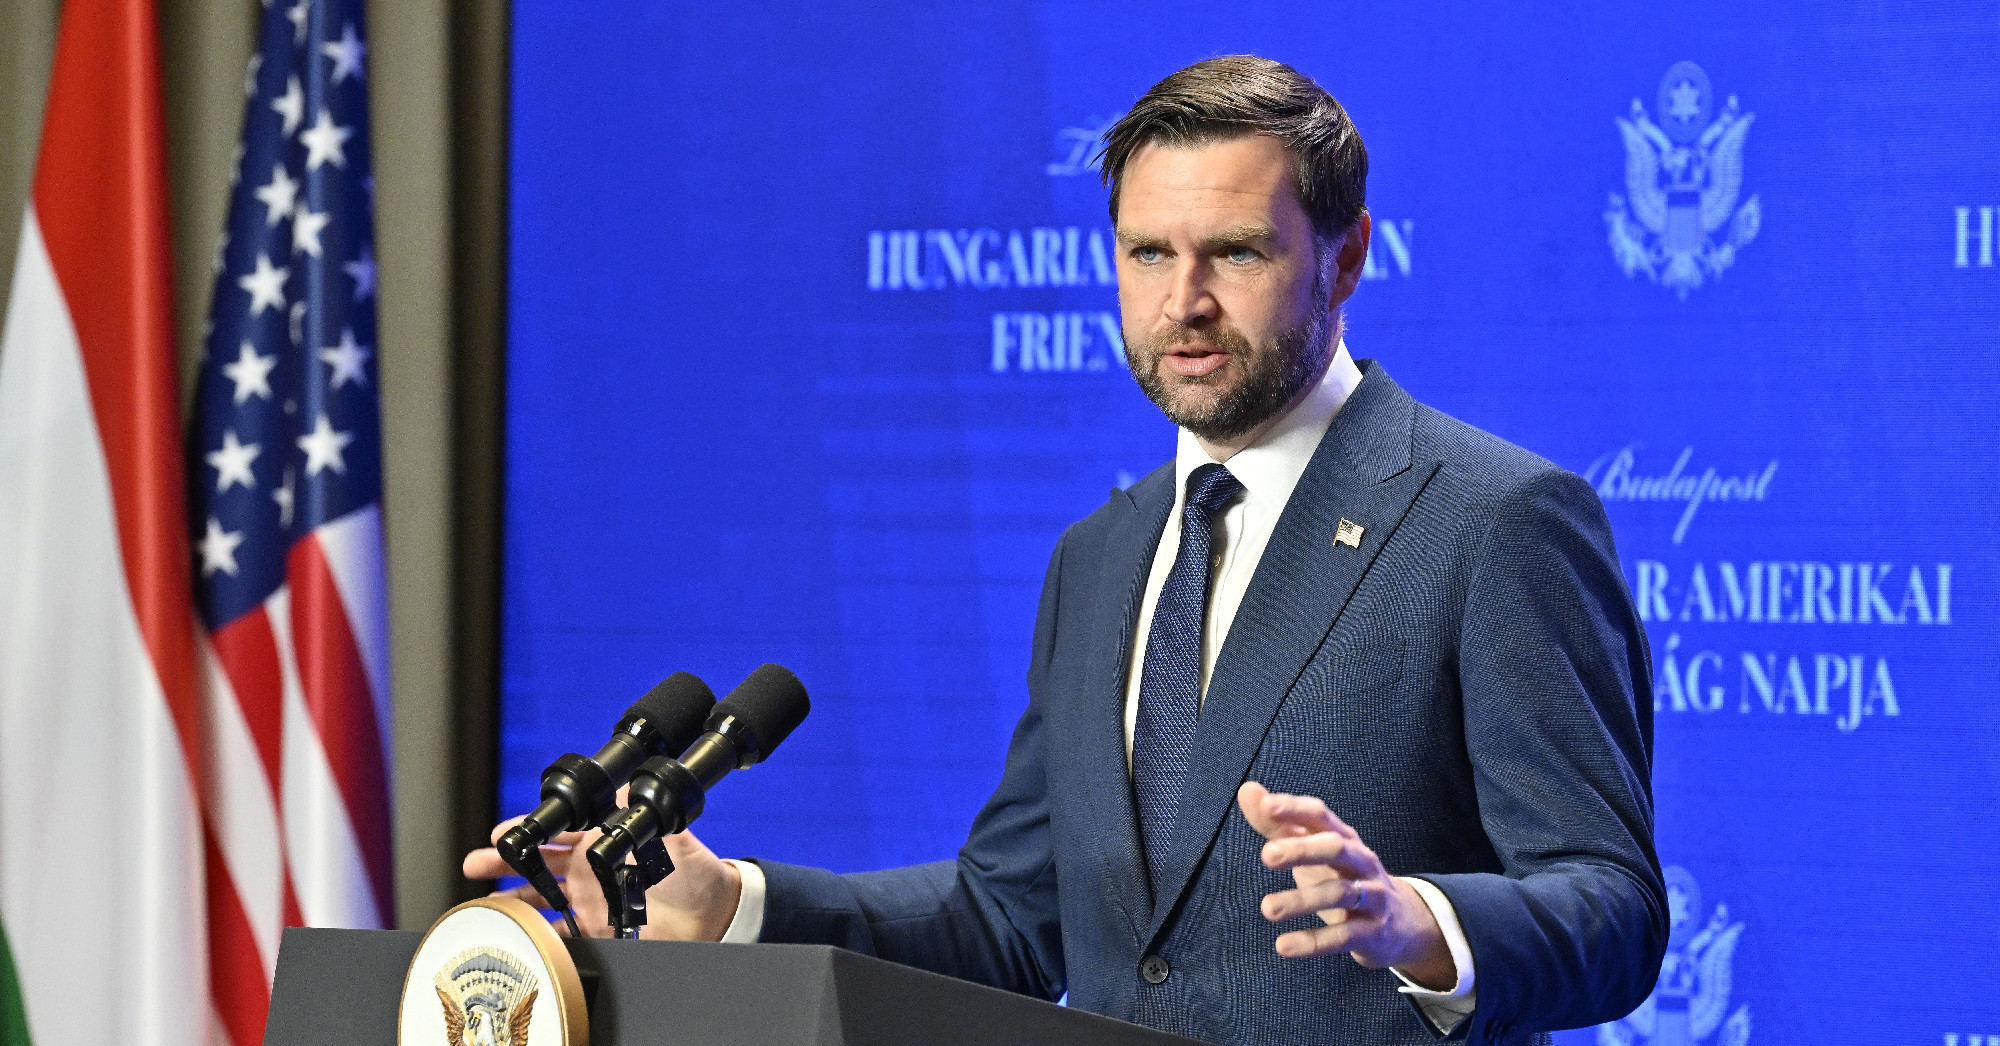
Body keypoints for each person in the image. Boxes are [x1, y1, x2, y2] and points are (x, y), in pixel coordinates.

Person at [466, 55, 1666, 1046]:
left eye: (1235, 252)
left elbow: (1609, 907)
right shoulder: (1100, 554)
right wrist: (735, 902)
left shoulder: (1493, 518)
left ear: (1344, 256)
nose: (1183, 301)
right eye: (1147, 253)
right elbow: (1012, 913)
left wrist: (1418, 919)